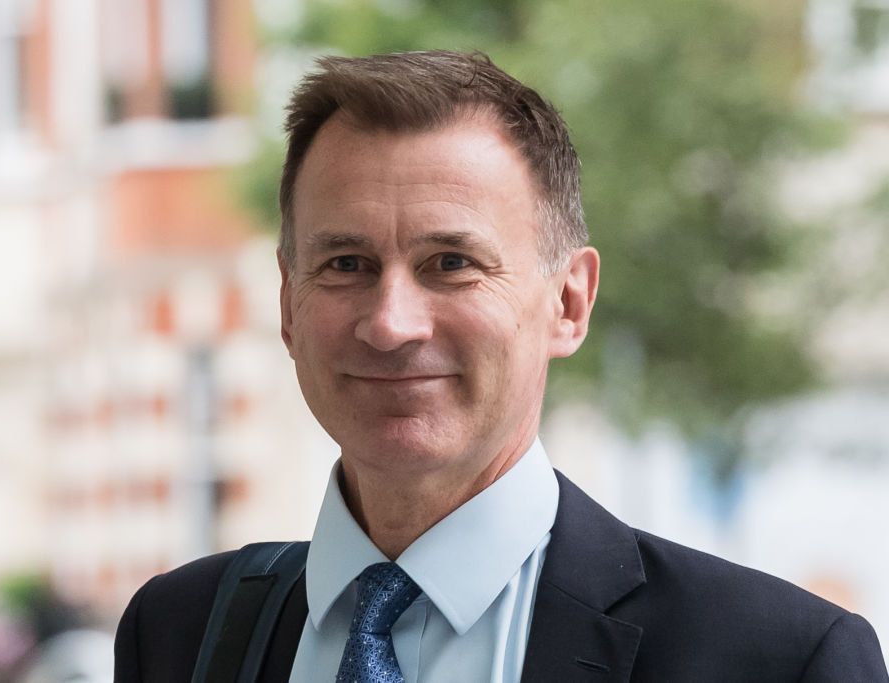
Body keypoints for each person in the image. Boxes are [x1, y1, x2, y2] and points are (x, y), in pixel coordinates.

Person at [114, 51, 888, 682]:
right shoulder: (177, 638)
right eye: (346, 263)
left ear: (569, 303)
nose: (391, 323)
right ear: (287, 305)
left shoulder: (777, 660)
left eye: (451, 262)